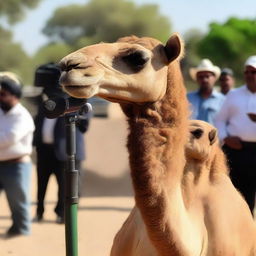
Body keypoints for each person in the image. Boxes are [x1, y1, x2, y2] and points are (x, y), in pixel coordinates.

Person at [33, 63, 89, 224]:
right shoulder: (47, 103)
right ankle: (39, 212)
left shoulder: (74, 101)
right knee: (41, 184)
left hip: (67, 151)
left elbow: (84, 126)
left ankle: (64, 215)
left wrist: (69, 106)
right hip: (44, 150)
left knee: (67, 187)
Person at [215, 55, 256, 215]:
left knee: (250, 196)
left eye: (253, 72)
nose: (250, 75)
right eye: (247, 72)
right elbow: (219, 120)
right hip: (236, 150)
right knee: (233, 193)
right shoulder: (234, 95)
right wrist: (226, 137)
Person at [0, 73, 35, 237]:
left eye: (3, 95)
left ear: (14, 95)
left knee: (18, 203)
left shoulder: (22, 116)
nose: (0, 98)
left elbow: (8, 139)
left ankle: (21, 232)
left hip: (17, 166)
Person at [187, 59, 225, 124]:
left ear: (214, 78)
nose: (204, 80)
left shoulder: (223, 100)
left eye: (207, 76)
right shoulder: (187, 98)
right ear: (196, 79)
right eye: (201, 77)